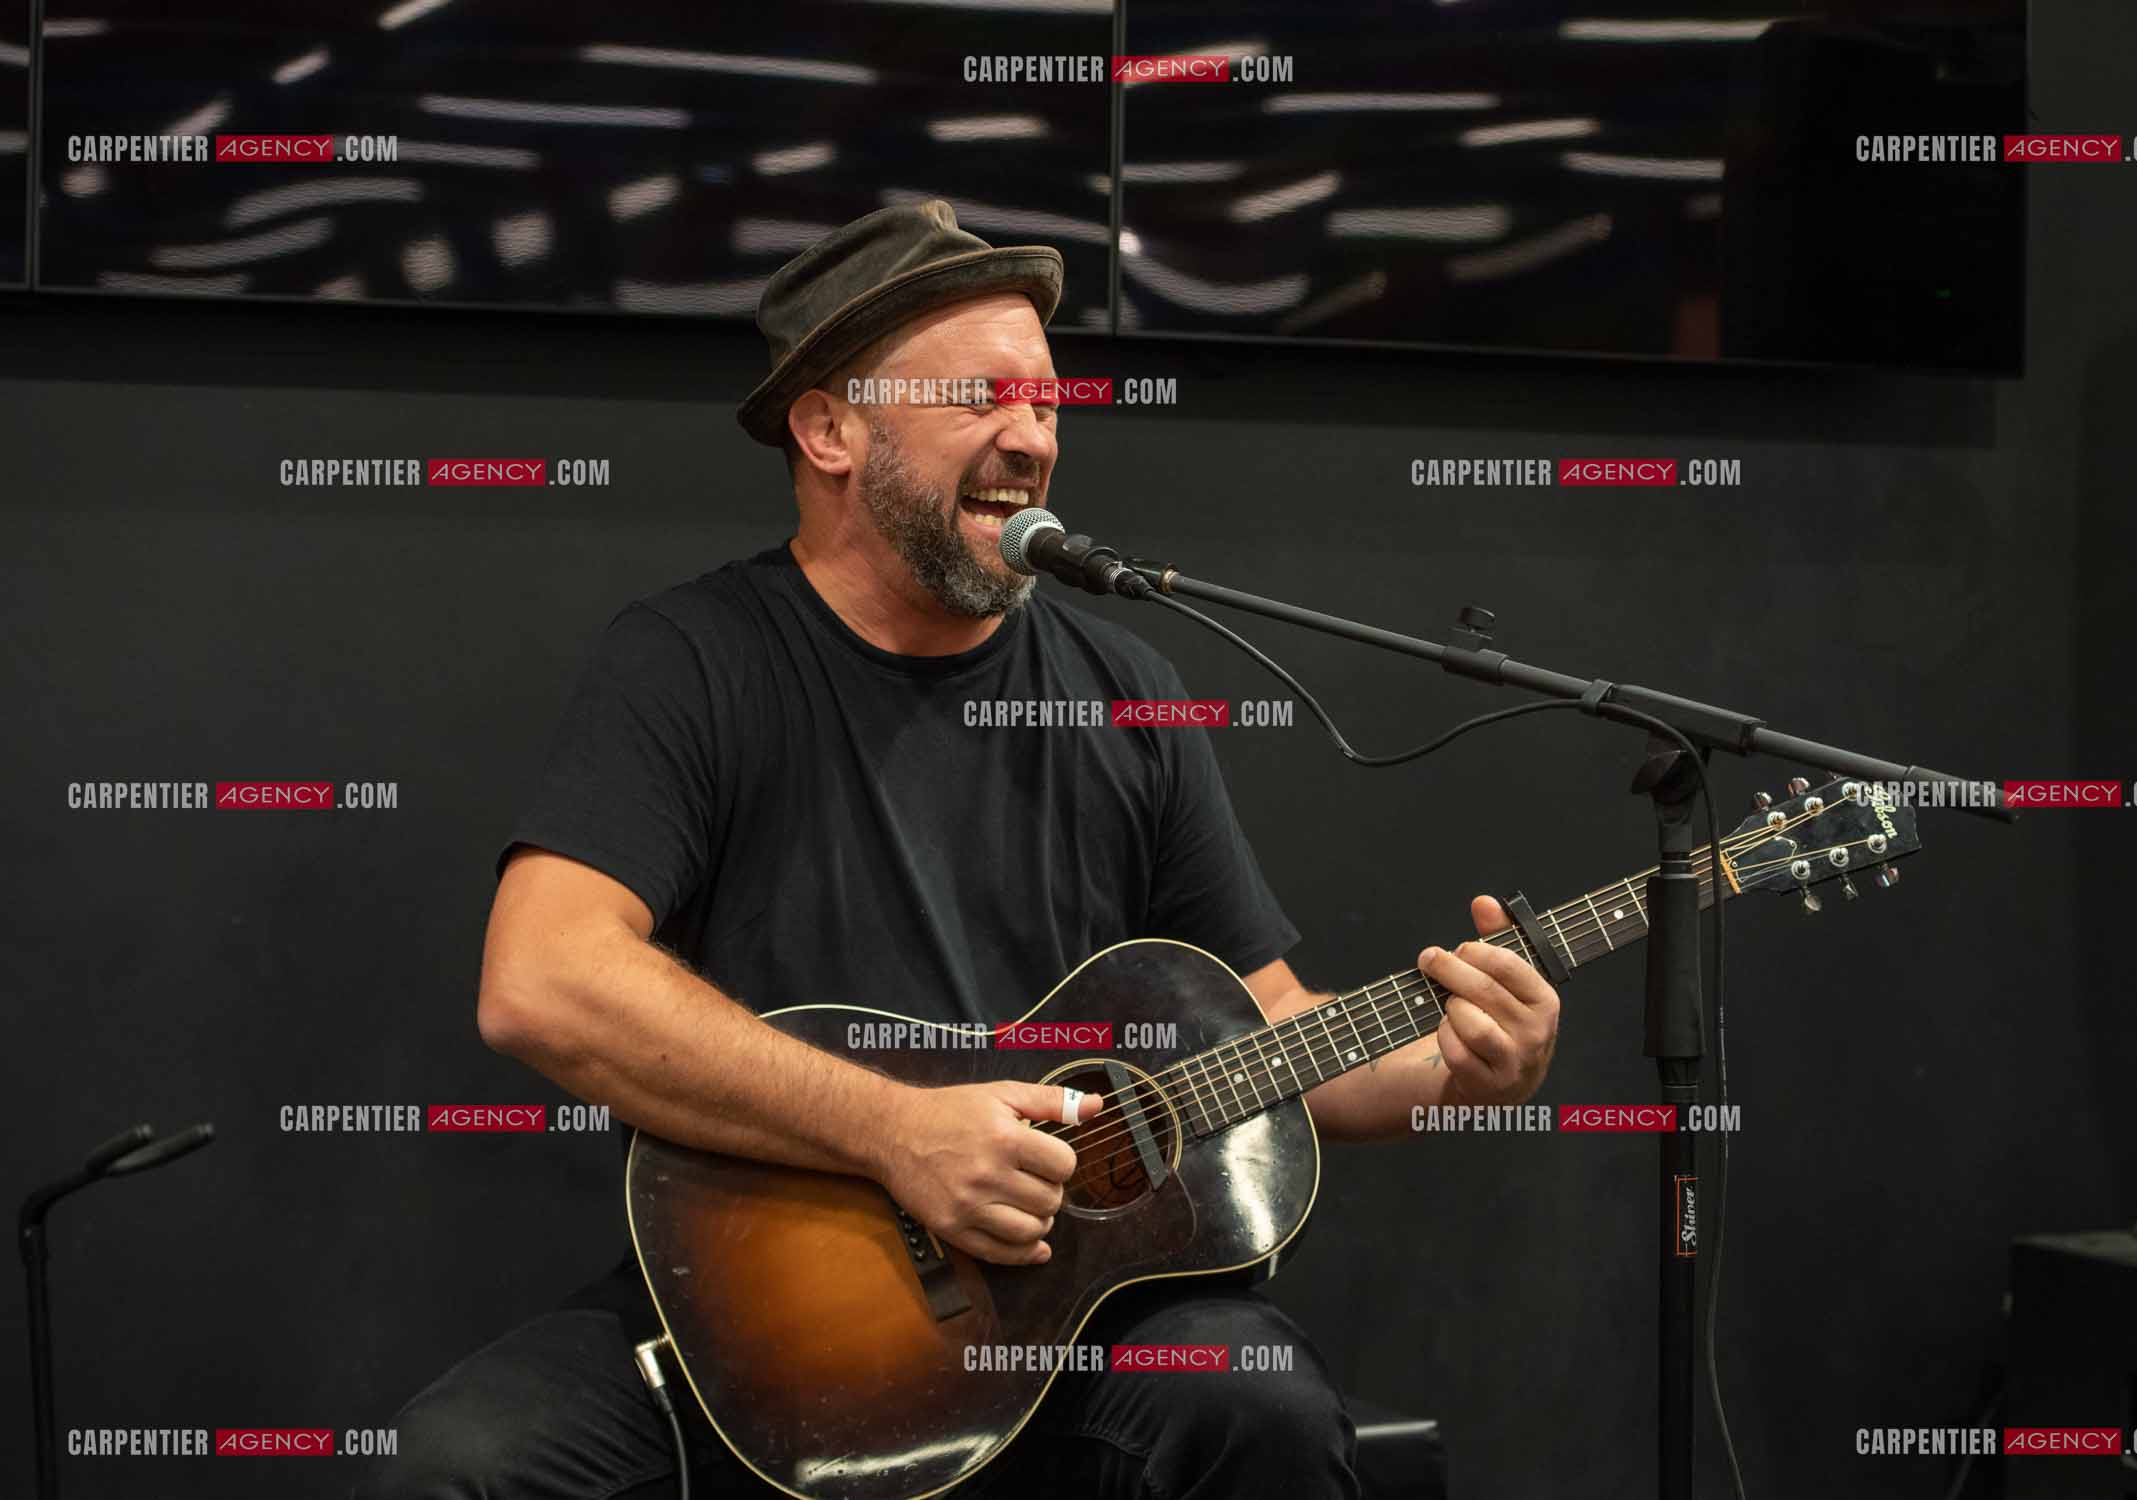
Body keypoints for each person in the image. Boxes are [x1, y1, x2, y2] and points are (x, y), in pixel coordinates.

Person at [362, 200, 1561, 1500]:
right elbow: (543, 981)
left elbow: (1273, 1031)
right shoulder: (692, 663)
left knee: (1251, 1397)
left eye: (1047, 402)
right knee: (459, 1469)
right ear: (829, 429)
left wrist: (1452, 1072)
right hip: (777, 1314)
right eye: (982, 396)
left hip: (1069, 1326)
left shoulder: (1127, 687)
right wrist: (895, 1133)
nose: (1032, 439)